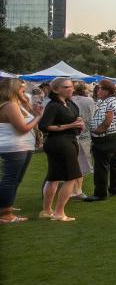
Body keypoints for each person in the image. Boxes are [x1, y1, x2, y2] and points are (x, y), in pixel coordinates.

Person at [38, 77, 84, 221]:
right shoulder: (54, 105)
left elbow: (75, 119)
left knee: (54, 177)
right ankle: (59, 213)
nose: (70, 89)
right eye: (66, 87)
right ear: (56, 89)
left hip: (67, 141)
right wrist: (70, 126)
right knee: (71, 177)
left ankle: (47, 211)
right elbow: (44, 126)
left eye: (71, 86)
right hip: (60, 142)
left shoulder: (70, 103)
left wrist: (79, 123)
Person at [0, 78, 42, 224]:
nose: (25, 91)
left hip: (22, 146)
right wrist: (38, 117)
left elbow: (28, 118)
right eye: (22, 89)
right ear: (14, 90)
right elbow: (22, 128)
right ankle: (5, 213)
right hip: (14, 147)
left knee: (15, 179)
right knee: (10, 180)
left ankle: (6, 205)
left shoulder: (16, 104)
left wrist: (26, 103)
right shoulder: (10, 105)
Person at [85, 79, 116, 202]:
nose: (97, 91)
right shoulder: (113, 100)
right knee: (114, 162)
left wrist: (98, 130)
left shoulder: (109, 102)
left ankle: (100, 194)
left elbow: (108, 119)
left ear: (106, 91)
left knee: (101, 166)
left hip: (106, 137)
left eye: (100, 88)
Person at [69, 82, 96, 199]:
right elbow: (93, 116)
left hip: (70, 134)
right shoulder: (89, 100)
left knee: (71, 162)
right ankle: (77, 190)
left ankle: (73, 188)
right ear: (85, 90)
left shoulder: (69, 100)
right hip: (83, 134)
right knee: (82, 162)